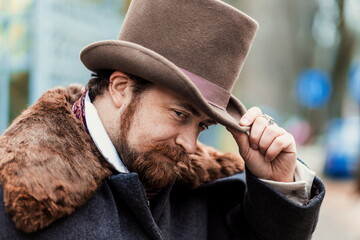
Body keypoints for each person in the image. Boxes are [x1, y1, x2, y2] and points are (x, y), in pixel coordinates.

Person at [0, 0, 325, 239]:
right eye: (180, 114)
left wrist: (279, 185)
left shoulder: (210, 191)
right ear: (120, 87)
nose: (190, 143)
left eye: (202, 125)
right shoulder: (21, 194)